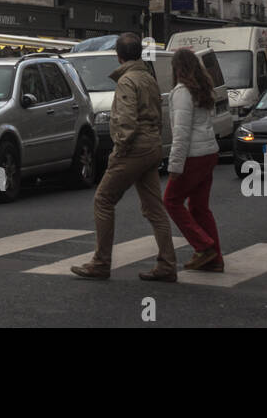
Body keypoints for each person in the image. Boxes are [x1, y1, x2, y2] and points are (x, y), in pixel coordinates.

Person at [72, 32, 177, 282]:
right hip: (152, 145)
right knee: (154, 208)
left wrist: (118, 151)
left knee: (103, 200)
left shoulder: (127, 81)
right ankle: (167, 263)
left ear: (118, 57)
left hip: (134, 148)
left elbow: (127, 122)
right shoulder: (149, 78)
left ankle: (101, 262)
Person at [162, 48, 223, 272]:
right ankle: (215, 258)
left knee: (171, 201)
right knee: (199, 208)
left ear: (177, 68)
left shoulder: (181, 92)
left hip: (193, 156)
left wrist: (175, 166)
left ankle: (204, 247)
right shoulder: (203, 89)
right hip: (209, 152)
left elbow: (181, 132)